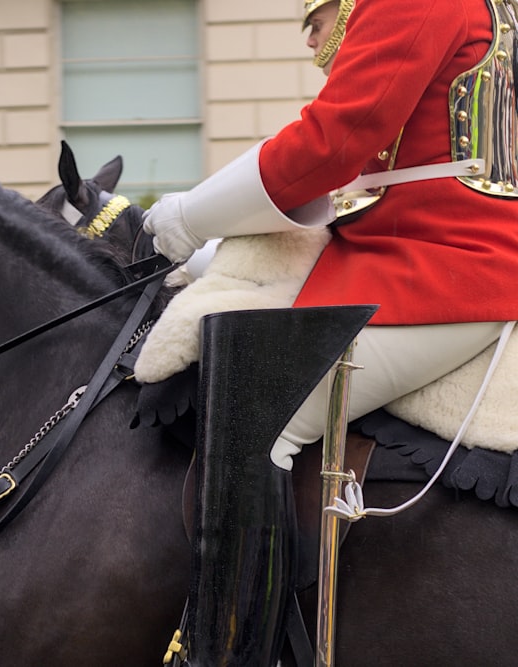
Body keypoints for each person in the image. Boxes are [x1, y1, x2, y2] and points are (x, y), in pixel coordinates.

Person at [143, 0, 518, 663]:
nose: (313, 30)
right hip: (416, 251)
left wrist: (192, 213)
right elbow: (378, 176)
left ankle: (227, 650)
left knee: (253, 408)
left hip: (447, 267)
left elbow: (334, 141)